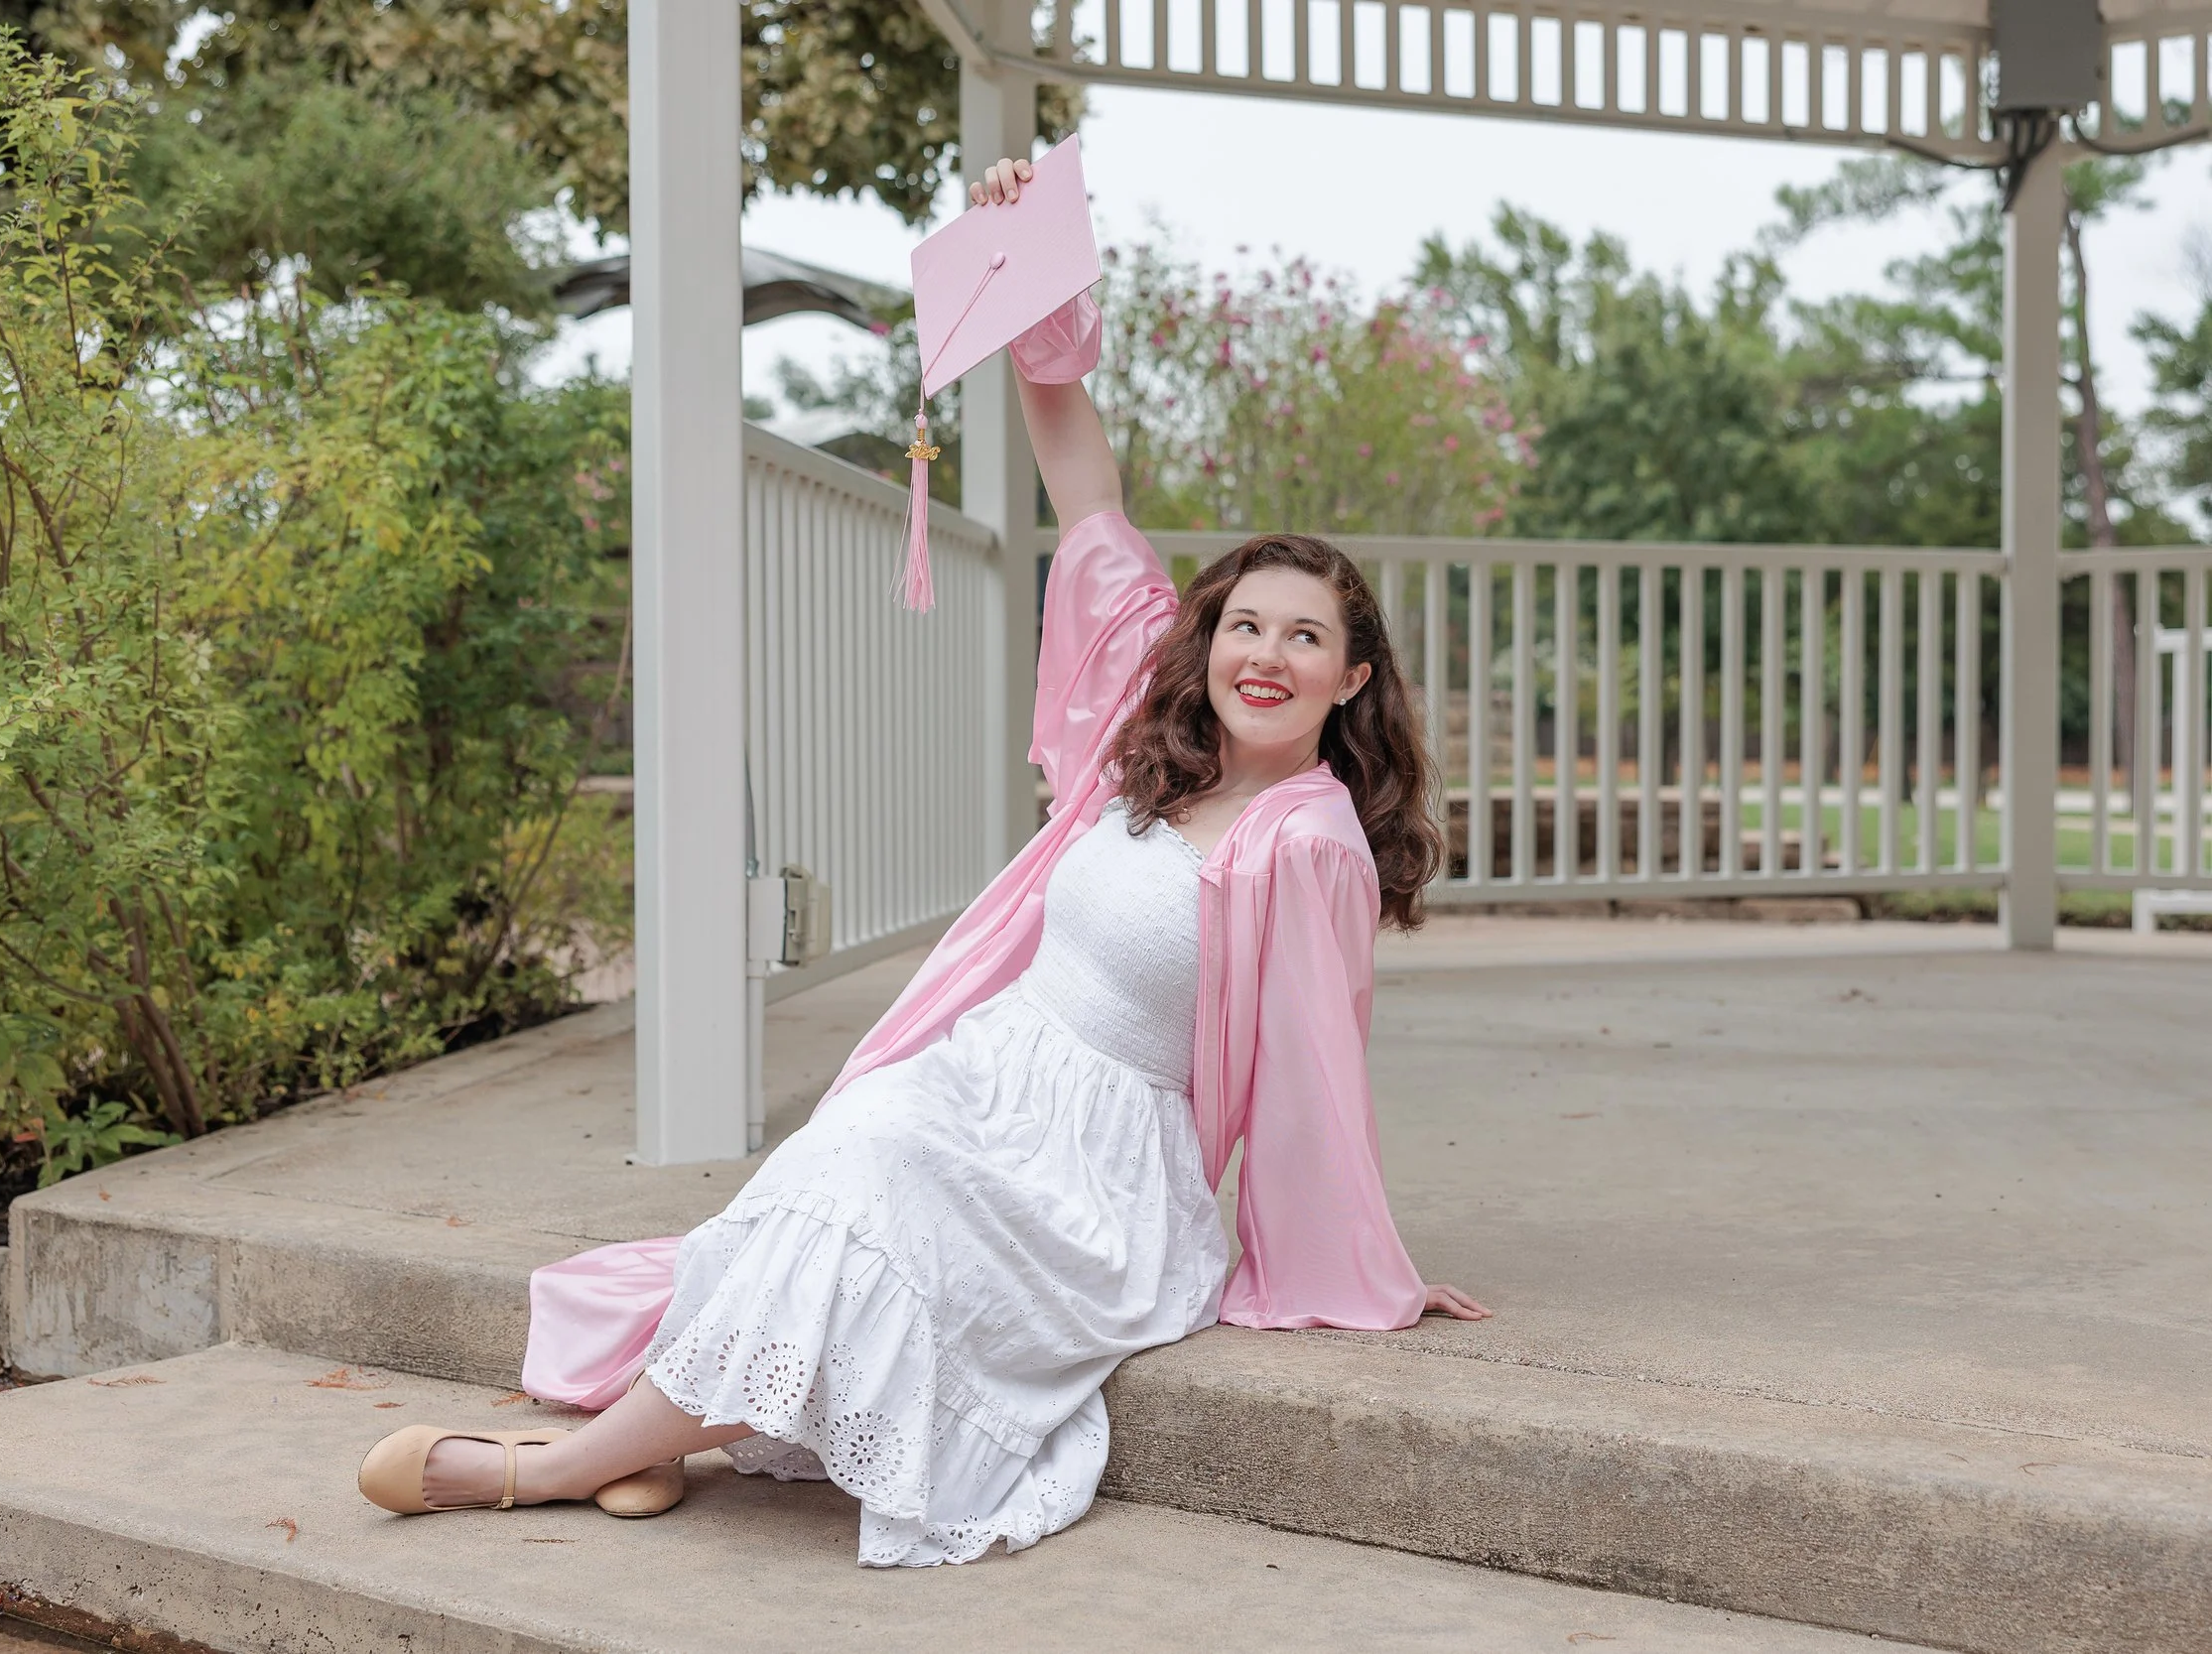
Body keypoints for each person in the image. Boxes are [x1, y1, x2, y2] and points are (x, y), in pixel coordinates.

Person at [356, 154, 1489, 1565]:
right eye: (1247, 624)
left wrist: (1357, 1259)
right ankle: (640, 1452)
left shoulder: (1304, 841)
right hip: (987, 1072)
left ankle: (550, 1467)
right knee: (850, 1157)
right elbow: (1075, 460)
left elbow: (1315, 1071)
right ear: (1211, 642)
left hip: (1099, 1170)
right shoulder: (1157, 726)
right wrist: (1033, 252)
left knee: (874, 1179)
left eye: (1305, 635)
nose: (1267, 652)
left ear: (1351, 675)